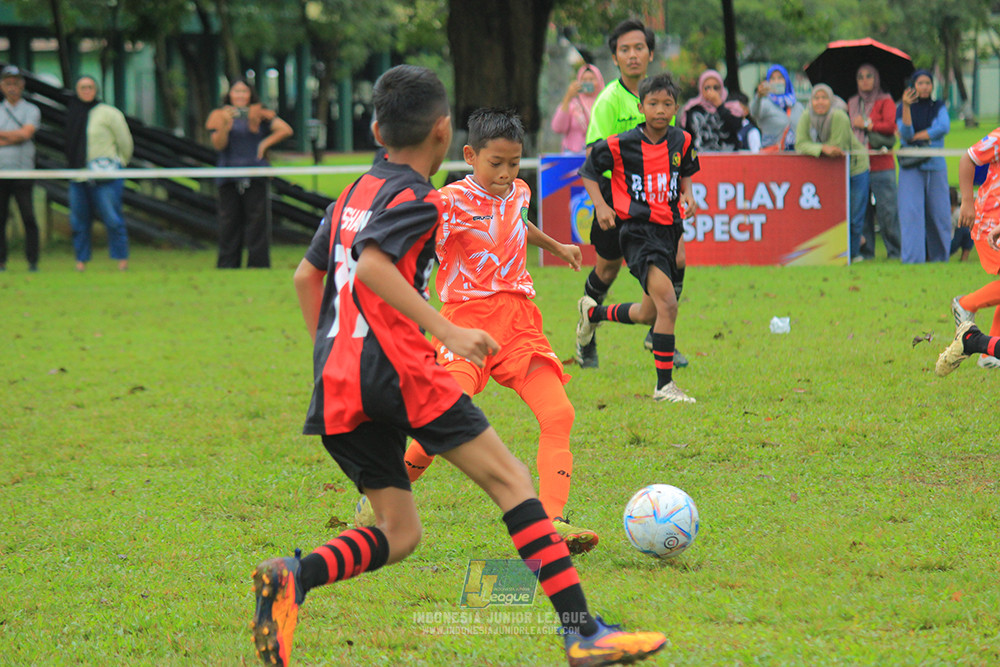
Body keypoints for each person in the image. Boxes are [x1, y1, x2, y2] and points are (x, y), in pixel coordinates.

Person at [252, 64, 666, 667]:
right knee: (511, 483)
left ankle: (292, 576)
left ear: (374, 129)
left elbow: (306, 275)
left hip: (337, 383)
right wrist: (446, 329)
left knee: (400, 533)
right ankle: (583, 632)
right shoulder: (421, 197)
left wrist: (331, 348)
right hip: (399, 371)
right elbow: (372, 267)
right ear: (445, 135)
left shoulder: (352, 195)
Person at [386, 108, 598, 552]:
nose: (506, 173)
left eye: (514, 163)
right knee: (443, 416)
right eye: (495, 163)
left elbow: (517, 222)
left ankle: (550, 523)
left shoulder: (519, 191)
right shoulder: (446, 201)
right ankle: (387, 498)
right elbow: (403, 234)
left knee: (559, 414)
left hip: (520, 324)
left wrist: (557, 245)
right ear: (470, 155)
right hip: (466, 323)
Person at [577, 19, 693, 371]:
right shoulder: (609, 101)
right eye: (624, 49)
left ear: (651, 53)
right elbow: (593, 158)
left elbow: (676, 155)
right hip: (618, 199)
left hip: (657, 200)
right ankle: (587, 333)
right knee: (608, 269)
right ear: (614, 57)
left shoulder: (662, 98)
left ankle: (657, 332)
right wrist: (601, 205)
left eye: (639, 48)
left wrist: (684, 192)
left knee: (679, 259)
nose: (632, 55)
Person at [205, 79, 293, 268]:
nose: (240, 95)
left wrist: (264, 144)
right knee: (229, 221)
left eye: (244, 91)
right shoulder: (220, 115)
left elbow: (285, 129)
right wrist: (225, 125)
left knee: (257, 221)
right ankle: (228, 264)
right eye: (236, 91)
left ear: (250, 94)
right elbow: (218, 145)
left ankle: (258, 264)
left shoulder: (259, 114)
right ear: (230, 94)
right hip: (228, 173)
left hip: (255, 172)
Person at [64, 75, 133, 272]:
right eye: (82, 87)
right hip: (78, 174)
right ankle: (81, 260)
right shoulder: (72, 113)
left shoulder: (108, 113)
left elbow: (125, 142)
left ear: (96, 89)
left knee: (112, 217)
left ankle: (121, 259)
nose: (86, 90)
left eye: (90, 87)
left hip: (106, 176)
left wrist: (120, 162)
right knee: (79, 220)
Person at [795, 84, 870, 262]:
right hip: (830, 171)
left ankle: (852, 255)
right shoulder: (806, 116)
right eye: (816, 98)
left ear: (831, 100)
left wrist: (819, 149)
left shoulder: (839, 116)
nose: (820, 102)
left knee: (854, 215)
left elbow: (837, 149)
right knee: (834, 215)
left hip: (855, 169)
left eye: (824, 98)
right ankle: (838, 254)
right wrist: (822, 148)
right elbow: (800, 144)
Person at [947, 130, 1000, 370]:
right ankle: (967, 304)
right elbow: (968, 159)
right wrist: (967, 201)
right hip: (990, 221)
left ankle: (990, 352)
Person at [897, 69, 951, 263]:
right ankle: (913, 259)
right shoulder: (901, 107)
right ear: (913, 86)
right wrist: (905, 106)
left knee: (940, 212)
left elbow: (943, 127)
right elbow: (905, 132)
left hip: (935, 165)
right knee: (911, 213)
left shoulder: (938, 106)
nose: (924, 87)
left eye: (927, 83)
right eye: (920, 83)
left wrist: (920, 136)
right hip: (911, 167)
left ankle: (941, 256)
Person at [848, 64, 901, 260]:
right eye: (860, 77)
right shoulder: (852, 102)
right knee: (861, 212)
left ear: (876, 78)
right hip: (858, 165)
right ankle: (866, 251)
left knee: (888, 211)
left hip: (881, 164)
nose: (865, 80)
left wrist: (868, 124)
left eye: (869, 76)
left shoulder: (885, 101)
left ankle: (895, 251)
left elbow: (890, 126)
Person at [0, 65, 41, 272]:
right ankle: (1, 262)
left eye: (15, 83)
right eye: (8, 83)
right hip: (1, 173)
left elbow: (26, 134)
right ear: (1, 86)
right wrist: (15, 137)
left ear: (22, 85)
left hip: (23, 171)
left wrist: (5, 136)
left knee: (28, 217)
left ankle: (32, 261)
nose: (12, 87)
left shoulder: (31, 110)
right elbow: (20, 135)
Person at [680, 69, 743, 153]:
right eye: (707, 88)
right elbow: (686, 136)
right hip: (701, 158)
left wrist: (719, 105)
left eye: (716, 88)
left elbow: (736, 126)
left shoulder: (731, 107)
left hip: (728, 158)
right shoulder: (692, 109)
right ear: (701, 88)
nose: (712, 91)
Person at [550, 64, 605, 153]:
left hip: (598, 154)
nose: (588, 83)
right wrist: (568, 97)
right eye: (584, 80)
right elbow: (557, 127)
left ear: (599, 81)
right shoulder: (573, 105)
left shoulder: (605, 103)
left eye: (591, 79)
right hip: (573, 155)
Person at [750, 64, 804, 151]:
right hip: (773, 156)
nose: (776, 81)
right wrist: (758, 97)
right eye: (772, 79)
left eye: (780, 78)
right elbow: (754, 113)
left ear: (786, 80)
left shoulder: (797, 106)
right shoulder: (765, 103)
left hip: (795, 155)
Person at [950, 186, 973, 262]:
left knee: (967, 230)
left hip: (951, 240)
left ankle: (964, 258)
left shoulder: (957, 213)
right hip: (941, 241)